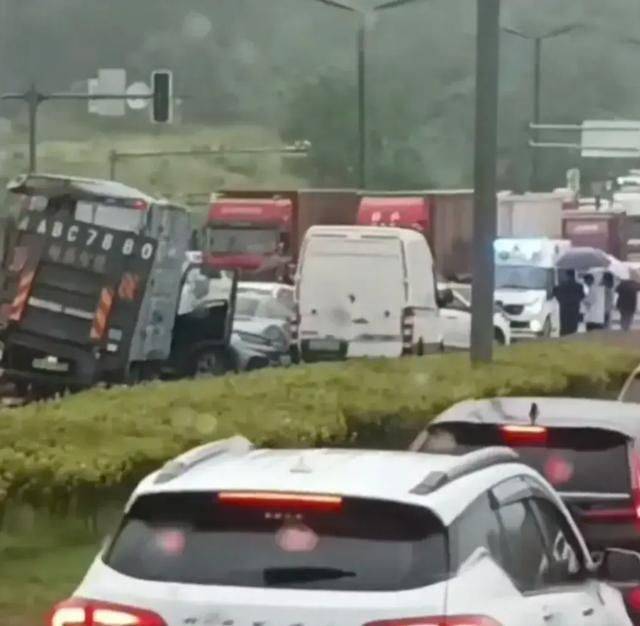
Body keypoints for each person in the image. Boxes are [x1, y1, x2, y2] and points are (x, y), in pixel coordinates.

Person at [552, 269, 585, 336]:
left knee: (564, 326)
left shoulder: (561, 286)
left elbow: (555, 293)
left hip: (564, 308)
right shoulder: (579, 286)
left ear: (567, 275)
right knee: (573, 327)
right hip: (574, 309)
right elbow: (582, 296)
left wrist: (561, 300)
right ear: (574, 275)